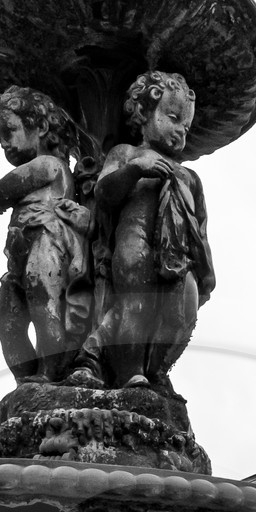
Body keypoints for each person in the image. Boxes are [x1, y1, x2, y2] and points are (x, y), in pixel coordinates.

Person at [67, 70, 215, 392]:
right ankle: (130, 372)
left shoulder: (189, 177)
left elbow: (199, 228)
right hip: (134, 238)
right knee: (135, 304)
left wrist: (207, 271)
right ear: (144, 113)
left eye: (186, 127)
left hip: (178, 254)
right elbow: (104, 193)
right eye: (172, 117)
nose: (179, 131)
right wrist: (135, 170)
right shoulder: (126, 154)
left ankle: (157, 368)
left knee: (183, 312)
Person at [0, 86, 93, 384]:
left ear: (41, 126)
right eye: (0, 138)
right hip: (21, 247)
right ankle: (28, 378)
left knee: (44, 300)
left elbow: (2, 191)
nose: (6, 144)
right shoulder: (42, 165)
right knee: (7, 321)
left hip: (47, 239)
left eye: (11, 131)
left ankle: (51, 372)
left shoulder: (49, 165)